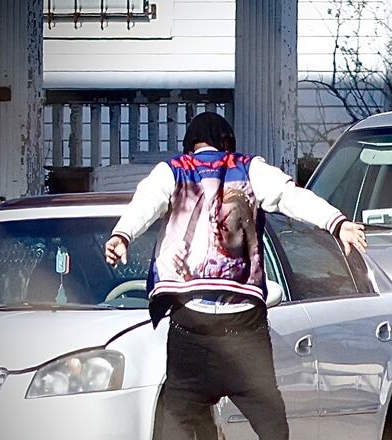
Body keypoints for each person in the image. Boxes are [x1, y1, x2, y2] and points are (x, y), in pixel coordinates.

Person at [103, 112, 366, 440]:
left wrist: (122, 235)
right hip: (244, 330)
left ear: (190, 145)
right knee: (271, 424)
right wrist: (336, 222)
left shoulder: (174, 170)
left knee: (176, 422)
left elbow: (145, 202)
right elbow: (291, 196)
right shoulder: (249, 168)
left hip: (190, 326)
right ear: (228, 142)